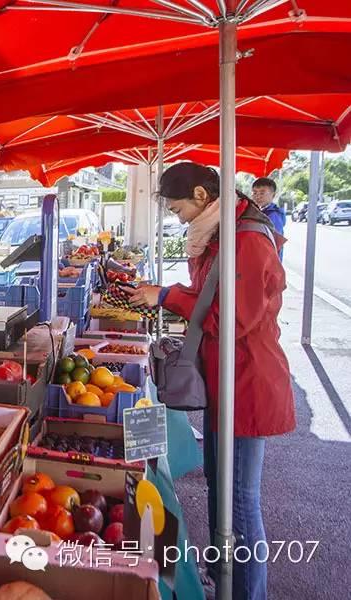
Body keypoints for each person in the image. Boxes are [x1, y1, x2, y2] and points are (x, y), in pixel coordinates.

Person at [128, 162, 295, 600]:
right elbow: (214, 297)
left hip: (247, 382)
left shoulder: (244, 239)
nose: (176, 215)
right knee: (221, 488)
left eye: (177, 205)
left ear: (202, 196)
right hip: (228, 378)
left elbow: (231, 317)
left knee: (239, 500)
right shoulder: (222, 232)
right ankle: (225, 575)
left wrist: (167, 296)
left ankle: (245, 592)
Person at [250, 177, 285, 261]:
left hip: (269, 261)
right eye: (255, 193)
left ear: (273, 195)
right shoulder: (258, 211)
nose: (258, 196)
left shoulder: (274, 215)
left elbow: (274, 243)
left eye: (262, 193)